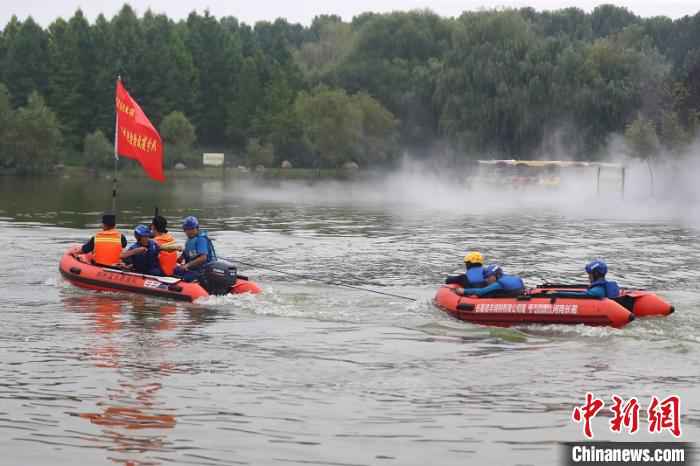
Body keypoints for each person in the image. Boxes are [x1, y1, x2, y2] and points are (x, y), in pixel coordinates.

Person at [174, 216, 217, 282]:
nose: (189, 231)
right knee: (175, 270)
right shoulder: (189, 240)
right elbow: (186, 253)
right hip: (194, 269)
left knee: (182, 277)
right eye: (187, 229)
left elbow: (203, 258)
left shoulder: (201, 239)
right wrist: (178, 260)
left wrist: (187, 265)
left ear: (197, 228)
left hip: (203, 271)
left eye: (191, 229)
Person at [554, 260, 620, 298]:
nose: (588, 277)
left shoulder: (597, 291)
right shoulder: (603, 287)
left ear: (596, 274)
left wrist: (557, 293)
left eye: (590, 274)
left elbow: (579, 295)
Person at [453, 264, 525, 297]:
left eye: (488, 277)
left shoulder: (499, 284)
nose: (486, 280)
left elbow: (481, 291)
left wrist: (464, 291)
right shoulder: (515, 278)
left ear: (494, 276)